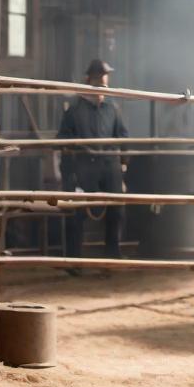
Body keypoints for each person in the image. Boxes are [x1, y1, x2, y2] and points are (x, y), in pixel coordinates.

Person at [57, 59, 128, 261]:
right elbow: (62, 139)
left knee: (117, 209)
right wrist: (77, 150)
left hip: (110, 164)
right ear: (90, 81)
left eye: (104, 82)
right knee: (77, 212)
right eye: (98, 81)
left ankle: (112, 255)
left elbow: (123, 137)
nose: (102, 86)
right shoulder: (74, 110)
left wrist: (123, 165)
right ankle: (74, 259)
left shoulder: (112, 109)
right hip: (84, 167)